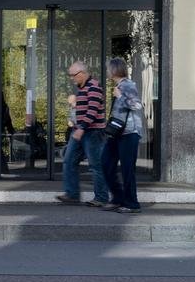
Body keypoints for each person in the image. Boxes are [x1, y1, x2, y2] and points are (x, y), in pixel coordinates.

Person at [54, 61, 111, 205]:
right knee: (69, 161)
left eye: (73, 75)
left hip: (92, 132)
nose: (72, 78)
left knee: (96, 165)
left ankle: (101, 198)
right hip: (80, 131)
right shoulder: (82, 87)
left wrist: (81, 128)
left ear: (82, 73)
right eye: (70, 75)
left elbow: (92, 111)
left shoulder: (94, 87)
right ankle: (72, 194)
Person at [99, 56, 144, 213]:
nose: (107, 71)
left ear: (114, 70)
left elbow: (137, 104)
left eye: (108, 69)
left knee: (127, 169)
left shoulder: (128, 85)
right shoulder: (119, 85)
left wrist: (120, 96)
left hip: (129, 133)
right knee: (106, 163)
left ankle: (132, 204)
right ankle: (118, 198)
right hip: (117, 133)